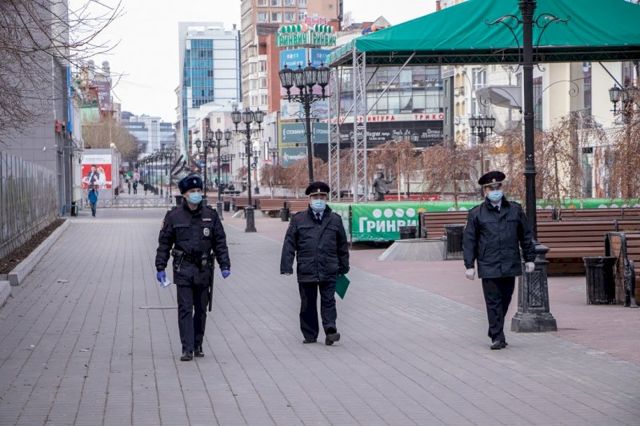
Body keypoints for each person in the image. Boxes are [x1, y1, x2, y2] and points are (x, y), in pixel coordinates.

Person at [155, 173, 231, 361]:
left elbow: (219, 242)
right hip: (183, 268)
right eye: (192, 191)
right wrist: (160, 267)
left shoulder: (210, 215)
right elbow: (164, 244)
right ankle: (187, 348)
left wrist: (225, 264)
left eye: (198, 190)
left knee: (201, 310)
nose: (196, 194)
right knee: (185, 309)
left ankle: (197, 344)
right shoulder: (174, 216)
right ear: (184, 194)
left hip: (203, 270)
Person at [462, 171, 536, 350]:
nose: (495, 191)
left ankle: (495, 329)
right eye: (491, 188)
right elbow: (469, 240)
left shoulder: (515, 210)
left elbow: (525, 235)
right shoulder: (477, 213)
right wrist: (469, 265)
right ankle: (497, 337)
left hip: (510, 261)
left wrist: (529, 258)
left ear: (502, 188)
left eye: (498, 187)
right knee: (493, 301)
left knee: (506, 299)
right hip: (488, 263)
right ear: (485, 191)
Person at [280, 181, 350, 345]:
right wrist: (286, 266)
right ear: (309, 199)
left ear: (326, 199)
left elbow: (342, 245)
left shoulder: (335, 220)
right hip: (307, 268)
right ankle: (310, 334)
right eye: (315, 197)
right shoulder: (298, 219)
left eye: (322, 196)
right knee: (308, 303)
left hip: (329, 267)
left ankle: (330, 330)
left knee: (328, 301)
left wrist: (344, 266)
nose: (319, 199)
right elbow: (289, 243)